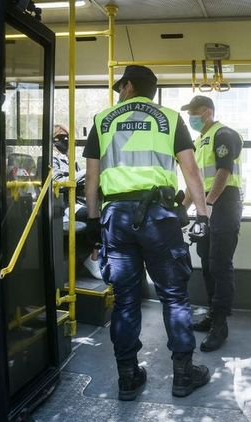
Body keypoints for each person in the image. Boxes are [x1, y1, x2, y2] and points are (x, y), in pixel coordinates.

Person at [83, 65, 211, 401]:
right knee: (174, 296)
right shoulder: (169, 118)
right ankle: (183, 375)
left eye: (120, 88)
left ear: (128, 86)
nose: (118, 93)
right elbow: (191, 170)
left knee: (125, 299)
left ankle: (127, 377)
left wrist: (95, 223)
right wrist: (202, 214)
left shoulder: (102, 120)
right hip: (159, 216)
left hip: (116, 218)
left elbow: (92, 177)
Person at [181, 95, 243, 352]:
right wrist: (181, 210)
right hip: (207, 206)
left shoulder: (224, 134)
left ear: (206, 112)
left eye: (193, 113)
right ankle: (211, 313)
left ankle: (220, 324)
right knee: (206, 261)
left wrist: (208, 206)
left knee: (219, 264)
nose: (190, 118)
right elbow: (194, 181)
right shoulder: (199, 141)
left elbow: (223, 172)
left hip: (223, 203)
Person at [52, 124, 102, 280]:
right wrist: (84, 173)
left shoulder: (70, 159)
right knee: (97, 216)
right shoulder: (52, 159)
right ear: (52, 141)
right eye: (60, 137)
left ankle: (101, 255)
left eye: (67, 137)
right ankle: (93, 258)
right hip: (63, 205)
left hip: (76, 201)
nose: (65, 140)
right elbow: (57, 182)